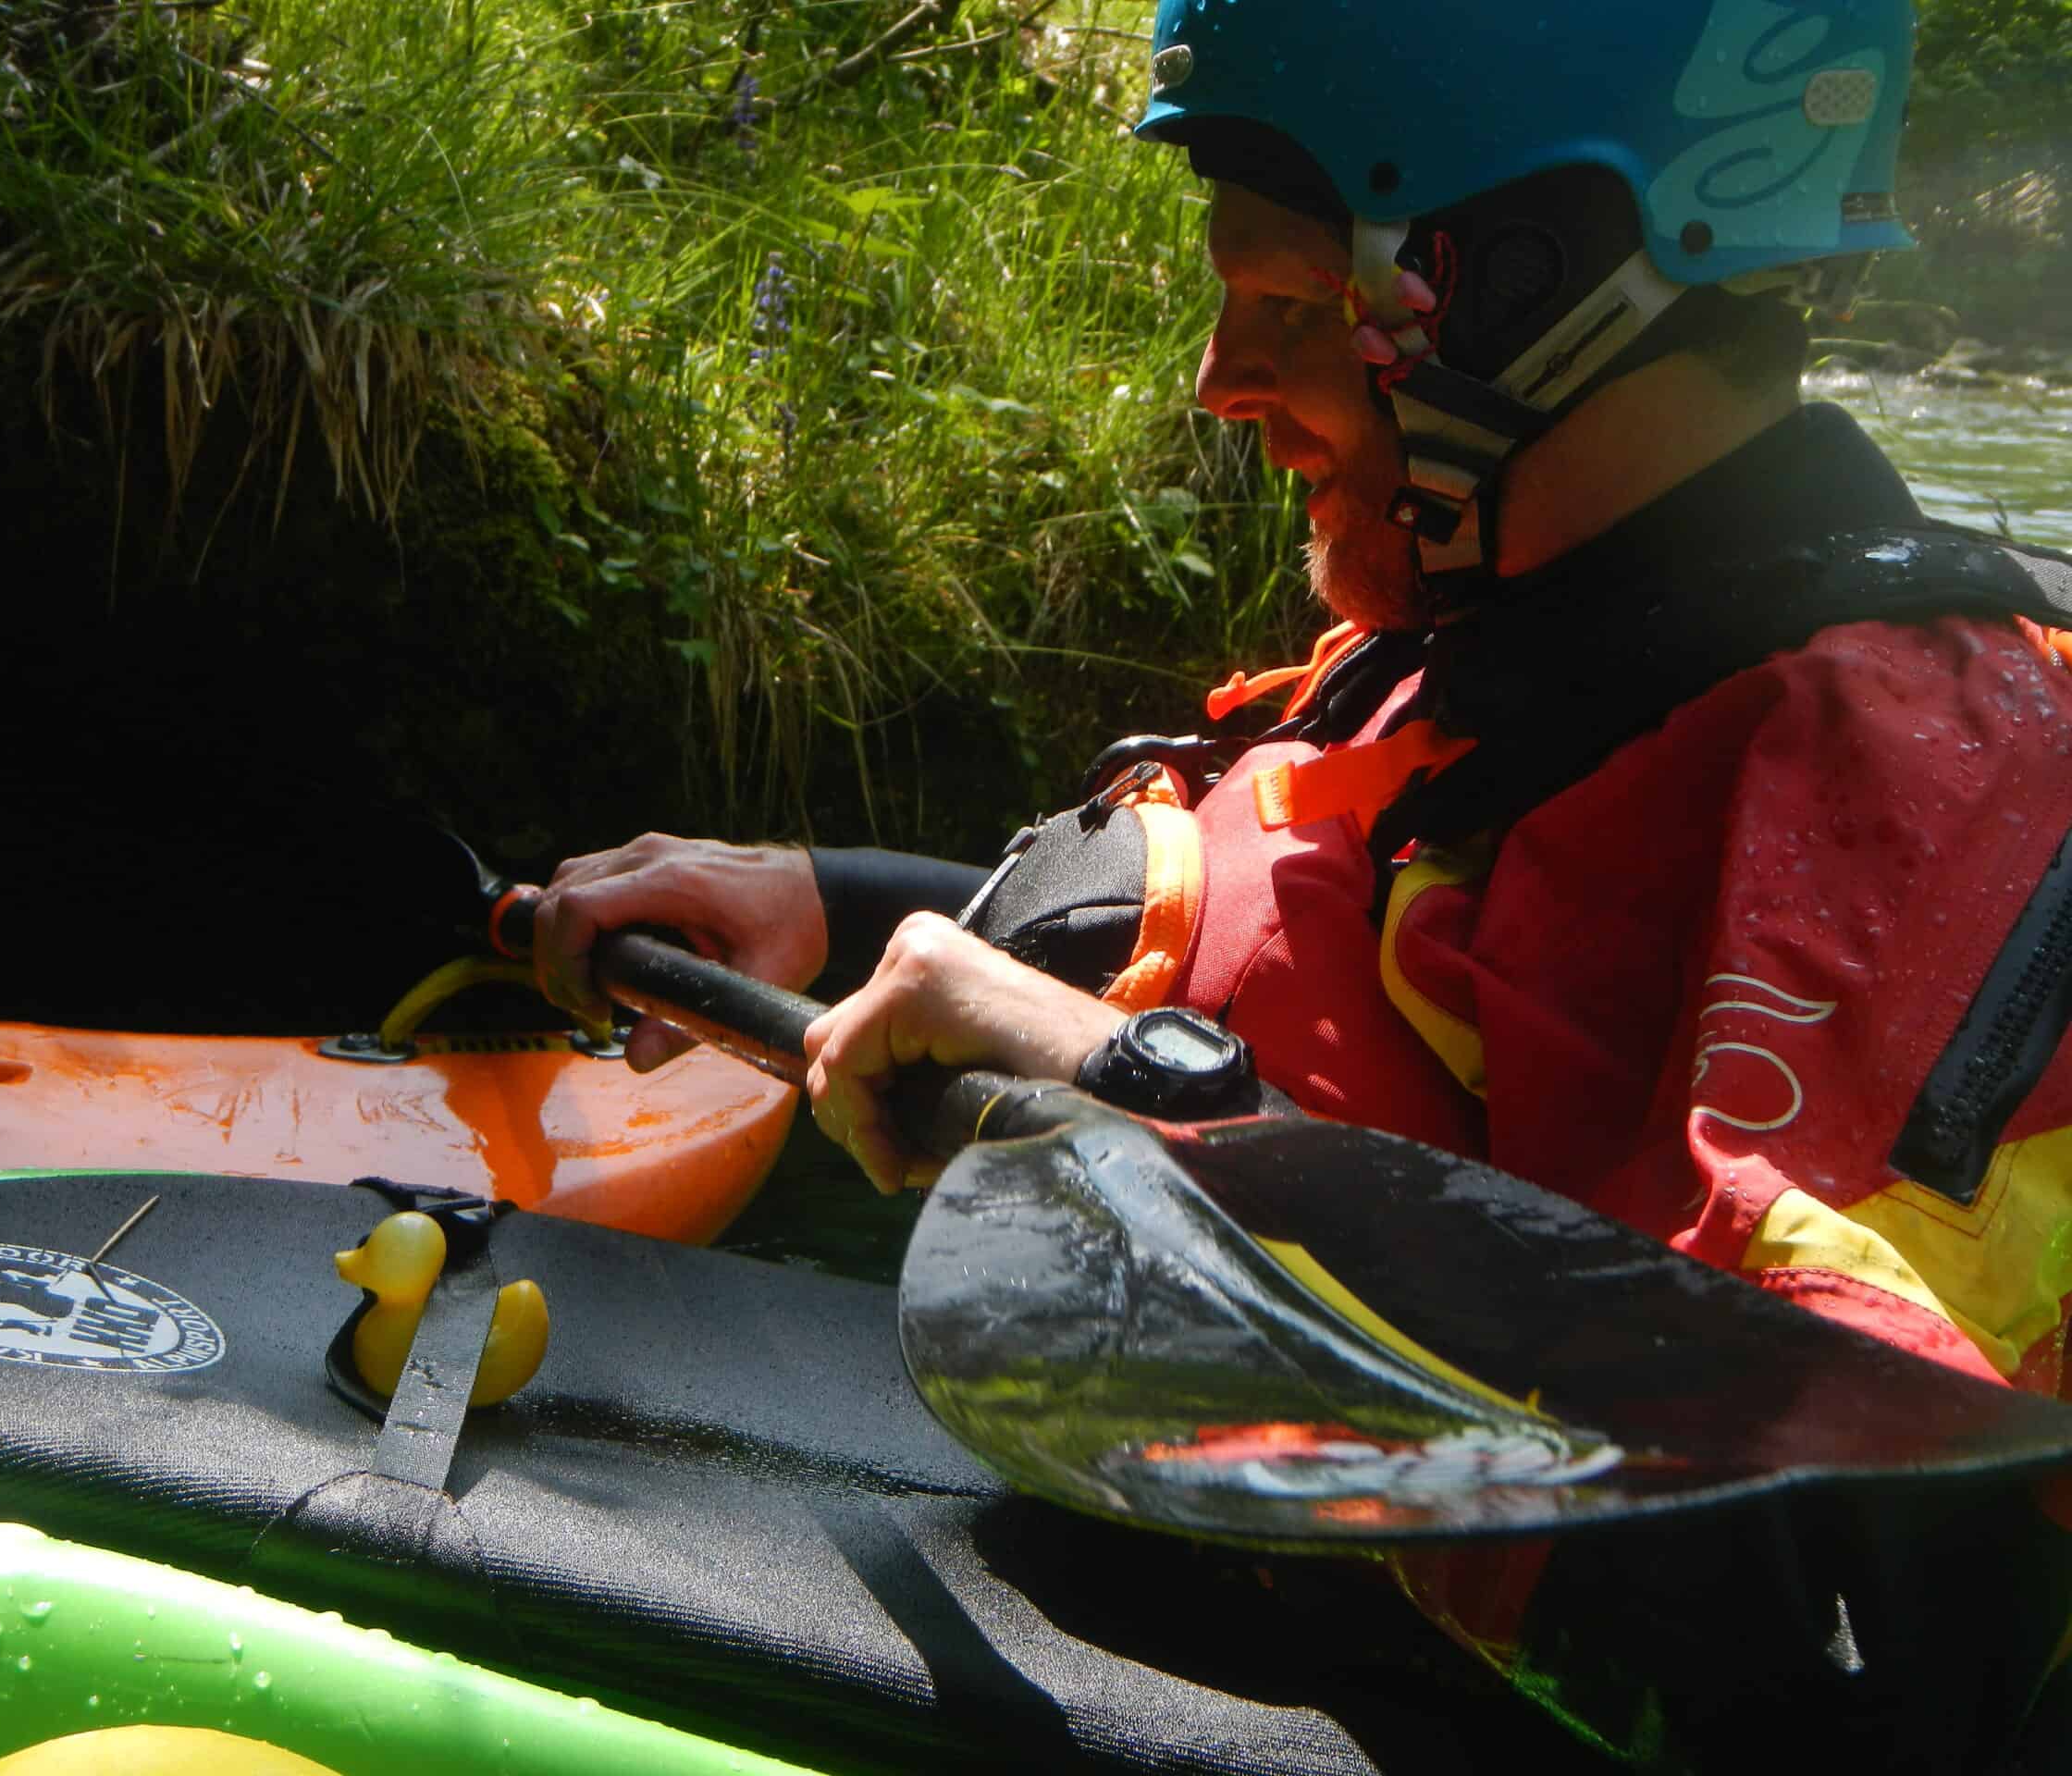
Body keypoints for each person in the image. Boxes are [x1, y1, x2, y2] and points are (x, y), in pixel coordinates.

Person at [526, 2, 2072, 1765]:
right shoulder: (1559, 626)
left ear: (1515, 289)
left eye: (1280, 306)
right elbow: (1407, 1034)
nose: (1216, 381)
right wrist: (847, 903)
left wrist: (1111, 1088)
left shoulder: (1898, 778)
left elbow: (1839, 1633)